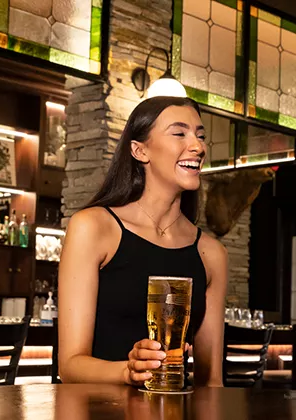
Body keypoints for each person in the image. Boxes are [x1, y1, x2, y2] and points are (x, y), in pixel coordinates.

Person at [56, 96, 229, 388]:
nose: (198, 147)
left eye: (200, 136)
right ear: (140, 150)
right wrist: (128, 371)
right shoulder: (94, 227)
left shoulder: (212, 254)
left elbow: (211, 383)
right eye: (179, 133)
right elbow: (71, 365)